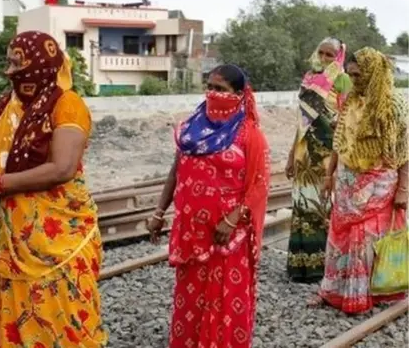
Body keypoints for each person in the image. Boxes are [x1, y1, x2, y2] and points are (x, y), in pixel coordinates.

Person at [0, 31, 107, 347]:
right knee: (18, 322)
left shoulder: (67, 104)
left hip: (61, 240)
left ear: (42, 65)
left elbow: (61, 168)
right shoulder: (6, 104)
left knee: (65, 323)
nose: (10, 72)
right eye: (8, 63)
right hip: (13, 238)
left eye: (18, 64)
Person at [147, 64, 270, 347]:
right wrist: (158, 212)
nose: (213, 94)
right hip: (191, 231)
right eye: (210, 87)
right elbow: (176, 171)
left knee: (222, 298)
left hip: (226, 234)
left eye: (222, 89)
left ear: (239, 94)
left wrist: (231, 221)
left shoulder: (248, 134)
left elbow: (259, 185)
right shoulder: (192, 129)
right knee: (190, 297)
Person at [309, 47, 408, 313]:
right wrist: (329, 175)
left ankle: (369, 293)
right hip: (346, 180)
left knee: (367, 236)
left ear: (374, 73)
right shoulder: (351, 102)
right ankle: (333, 291)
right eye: (351, 76)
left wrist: (404, 191)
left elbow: (404, 152)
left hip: (379, 183)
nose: (355, 81)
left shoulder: (395, 106)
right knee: (340, 233)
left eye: (359, 75)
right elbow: (339, 143)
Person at [285, 37, 352, 283]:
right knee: (302, 204)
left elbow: (346, 120)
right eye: (321, 52)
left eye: (329, 55)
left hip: (328, 154)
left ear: (339, 56)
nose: (323, 58)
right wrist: (292, 155)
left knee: (325, 205)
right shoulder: (308, 78)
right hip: (305, 153)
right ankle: (301, 265)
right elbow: (300, 122)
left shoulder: (343, 79)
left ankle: (326, 266)